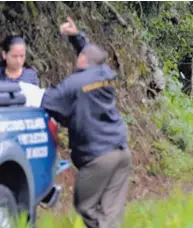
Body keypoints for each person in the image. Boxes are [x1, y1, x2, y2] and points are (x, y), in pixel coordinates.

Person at [40, 17, 131, 228]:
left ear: (81, 59)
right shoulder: (108, 74)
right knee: (111, 212)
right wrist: (77, 38)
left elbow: (48, 102)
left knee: (85, 205)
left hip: (98, 155)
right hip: (121, 151)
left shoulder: (73, 84)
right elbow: (93, 55)